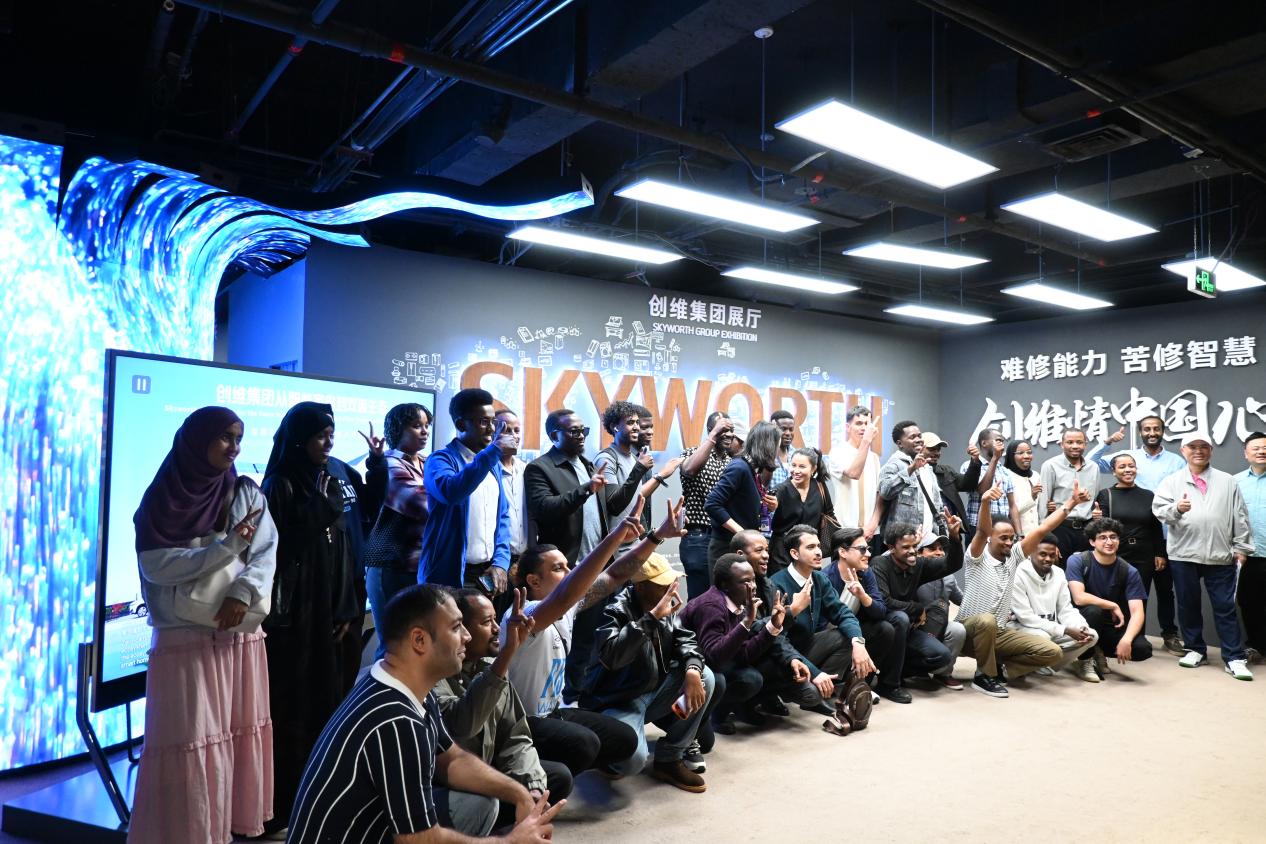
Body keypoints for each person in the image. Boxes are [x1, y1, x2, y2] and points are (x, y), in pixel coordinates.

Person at [286, 585, 562, 844]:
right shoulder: (396, 721)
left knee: (484, 801)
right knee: (476, 809)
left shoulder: (402, 685)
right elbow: (417, 839)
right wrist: (509, 841)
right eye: (456, 627)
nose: (466, 636)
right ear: (419, 640)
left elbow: (453, 759)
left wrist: (519, 793)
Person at [128, 407, 277, 844]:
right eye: (225, 437)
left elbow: (265, 551)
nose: (234, 448)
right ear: (198, 440)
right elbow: (159, 567)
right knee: (189, 740)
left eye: (238, 438)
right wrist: (226, 548)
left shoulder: (245, 492)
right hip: (183, 636)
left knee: (232, 737)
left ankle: (223, 829)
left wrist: (242, 593)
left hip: (237, 632)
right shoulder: (161, 500)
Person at [507, 497, 681, 781]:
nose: (568, 572)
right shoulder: (525, 614)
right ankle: (532, 772)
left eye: (568, 566)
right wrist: (616, 536)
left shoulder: (566, 608)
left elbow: (614, 575)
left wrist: (656, 536)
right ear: (533, 581)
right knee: (584, 746)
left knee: (625, 740)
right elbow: (568, 592)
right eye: (558, 568)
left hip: (553, 712)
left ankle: (551, 758)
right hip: (522, 722)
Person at [260, 402, 363, 837]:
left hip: (329, 616)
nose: (329, 442)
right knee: (292, 713)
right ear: (300, 438)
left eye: (332, 434)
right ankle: (282, 806)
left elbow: (343, 549)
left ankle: (319, 799)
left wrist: (345, 607)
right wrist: (320, 507)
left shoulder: (330, 479)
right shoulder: (280, 483)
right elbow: (278, 552)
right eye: (321, 435)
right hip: (293, 624)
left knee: (328, 707)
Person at [581, 555, 716, 793]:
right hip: (618, 701)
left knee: (706, 676)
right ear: (641, 586)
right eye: (663, 583)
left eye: (671, 581)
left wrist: (693, 670)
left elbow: (685, 640)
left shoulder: (663, 603)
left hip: (652, 691)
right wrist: (651, 619)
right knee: (632, 762)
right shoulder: (615, 610)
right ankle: (606, 749)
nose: (671, 587)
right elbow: (613, 657)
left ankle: (669, 758)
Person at [435, 588, 571, 817]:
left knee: (556, 778)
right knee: (483, 804)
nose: (497, 629)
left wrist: (532, 787)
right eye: (487, 622)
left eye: (495, 620)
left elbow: (515, 737)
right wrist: (506, 654)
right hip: (452, 783)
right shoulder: (435, 675)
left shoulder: (489, 664)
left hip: (487, 766)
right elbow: (463, 725)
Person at [957, 483, 1084, 696]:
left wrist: (1071, 503)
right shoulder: (976, 557)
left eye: (1011, 538)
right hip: (969, 632)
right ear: (990, 538)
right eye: (1003, 538)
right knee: (987, 620)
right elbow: (981, 530)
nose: (1009, 542)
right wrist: (986, 501)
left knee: (1052, 651)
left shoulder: (1014, 557)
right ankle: (983, 676)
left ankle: (1004, 669)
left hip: (999, 633)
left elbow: (1043, 529)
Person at [1153, 432, 1254, 679]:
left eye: (1203, 446)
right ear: (1183, 450)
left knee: (1225, 607)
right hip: (1183, 554)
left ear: (1211, 450)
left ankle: (1234, 657)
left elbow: (1239, 515)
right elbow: (1160, 511)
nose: (1198, 451)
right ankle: (1195, 649)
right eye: (1192, 446)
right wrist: (1177, 508)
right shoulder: (1172, 481)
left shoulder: (1227, 480)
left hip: (1220, 554)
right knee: (1187, 605)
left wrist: (1241, 547)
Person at [524, 408, 609, 701]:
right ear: (554, 435)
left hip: (594, 566)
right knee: (561, 639)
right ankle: (559, 701)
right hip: (564, 569)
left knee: (588, 638)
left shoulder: (587, 464)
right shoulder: (540, 468)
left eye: (583, 430)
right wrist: (585, 489)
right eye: (574, 431)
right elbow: (544, 508)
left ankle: (578, 699)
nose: (581, 436)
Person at [769, 524, 878, 714]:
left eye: (819, 546)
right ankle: (784, 690)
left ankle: (827, 686)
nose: (819, 552)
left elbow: (843, 613)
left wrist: (858, 643)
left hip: (807, 647)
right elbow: (778, 641)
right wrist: (816, 673)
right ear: (794, 553)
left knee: (847, 636)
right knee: (811, 696)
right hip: (784, 657)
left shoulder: (819, 579)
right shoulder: (776, 584)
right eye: (811, 547)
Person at [420, 389, 517, 594]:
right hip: (448, 576)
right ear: (461, 425)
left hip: (487, 575)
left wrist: (500, 562)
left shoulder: (492, 463)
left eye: (493, 422)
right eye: (483, 422)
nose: (491, 429)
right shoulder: (439, 460)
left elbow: (503, 516)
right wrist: (494, 451)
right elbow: (451, 492)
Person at [680, 554, 791, 733]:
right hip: (689, 671)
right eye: (745, 582)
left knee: (772, 667)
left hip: (713, 663)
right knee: (736, 680)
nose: (753, 586)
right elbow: (714, 656)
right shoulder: (712, 606)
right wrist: (746, 622)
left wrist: (772, 627)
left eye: (753, 580)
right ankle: (713, 716)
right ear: (725, 584)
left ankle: (741, 709)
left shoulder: (738, 602)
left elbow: (743, 654)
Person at [363, 402, 432, 660]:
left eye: (427, 425)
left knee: (415, 645)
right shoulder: (389, 464)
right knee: (393, 647)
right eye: (416, 426)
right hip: (391, 565)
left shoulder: (427, 462)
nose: (424, 431)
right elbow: (421, 504)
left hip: (419, 566)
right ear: (397, 430)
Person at [1093, 453, 1178, 655]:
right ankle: (1112, 638)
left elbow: (1155, 527)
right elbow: (1101, 526)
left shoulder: (1148, 495)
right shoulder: (1106, 494)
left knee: (1140, 597)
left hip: (1144, 553)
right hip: (1117, 553)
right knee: (1115, 596)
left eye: (1131, 466)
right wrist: (1095, 519)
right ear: (1113, 471)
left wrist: (1159, 553)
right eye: (1122, 466)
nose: (1128, 470)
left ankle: (1137, 638)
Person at [871, 521, 966, 694]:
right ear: (891, 548)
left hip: (907, 629)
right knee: (900, 617)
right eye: (905, 547)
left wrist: (954, 537)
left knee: (941, 656)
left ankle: (898, 671)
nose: (912, 551)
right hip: (882, 629)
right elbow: (885, 602)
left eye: (915, 546)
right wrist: (916, 608)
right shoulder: (879, 564)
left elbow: (952, 565)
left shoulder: (918, 565)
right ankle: (888, 685)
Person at [826, 527, 909, 703]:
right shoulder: (825, 577)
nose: (869, 554)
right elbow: (820, 624)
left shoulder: (866, 572)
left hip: (854, 630)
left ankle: (861, 684)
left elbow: (881, 611)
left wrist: (862, 596)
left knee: (886, 628)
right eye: (862, 549)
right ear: (843, 552)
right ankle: (835, 682)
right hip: (830, 636)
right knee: (843, 636)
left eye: (868, 549)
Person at [1066, 518, 1153, 680]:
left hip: (1108, 625)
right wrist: (1112, 605)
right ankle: (1083, 659)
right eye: (1102, 537)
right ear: (1092, 542)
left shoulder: (1129, 571)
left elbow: (1138, 612)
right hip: (1079, 621)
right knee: (1094, 611)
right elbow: (1079, 598)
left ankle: (1098, 649)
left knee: (1142, 649)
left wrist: (1126, 639)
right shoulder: (1078, 561)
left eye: (1113, 537)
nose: (1109, 542)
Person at [1007, 536, 1099, 680]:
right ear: (1031, 553)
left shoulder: (1059, 573)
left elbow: (1065, 609)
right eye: (1043, 554)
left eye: (1052, 555)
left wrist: (1080, 627)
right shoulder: (1017, 573)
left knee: (1091, 636)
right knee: (1043, 637)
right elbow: (1026, 617)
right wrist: (1065, 630)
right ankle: (1016, 667)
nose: (1048, 559)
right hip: (1019, 627)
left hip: (1049, 629)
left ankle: (1041, 665)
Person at [705, 420, 781, 565]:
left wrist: (768, 507)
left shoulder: (752, 470)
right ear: (769, 446)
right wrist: (742, 533)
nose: (778, 451)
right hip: (727, 550)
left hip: (742, 548)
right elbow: (712, 504)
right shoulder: (739, 468)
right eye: (777, 445)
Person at [678, 412, 736, 598]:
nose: (729, 434)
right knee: (700, 597)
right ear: (711, 430)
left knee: (723, 598)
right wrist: (714, 435)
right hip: (699, 536)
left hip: (724, 538)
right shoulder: (692, 453)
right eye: (723, 430)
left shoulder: (732, 462)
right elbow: (689, 470)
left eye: (731, 430)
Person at [1038, 427, 1119, 559]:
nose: (1075, 446)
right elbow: (1043, 502)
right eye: (1070, 442)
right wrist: (1046, 536)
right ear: (1062, 444)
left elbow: (1093, 498)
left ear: (1085, 444)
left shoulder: (1093, 467)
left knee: (1087, 568)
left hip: (1086, 528)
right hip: (1060, 527)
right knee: (1060, 568)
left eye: (1079, 442)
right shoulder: (1050, 465)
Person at [593, 401, 654, 541]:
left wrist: (645, 539)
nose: (636, 427)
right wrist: (639, 469)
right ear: (614, 427)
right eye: (630, 423)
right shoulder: (606, 459)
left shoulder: (634, 458)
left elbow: (635, 501)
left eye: (637, 422)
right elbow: (614, 506)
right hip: (615, 547)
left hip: (634, 543)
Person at [769, 447, 835, 574]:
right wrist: (772, 506)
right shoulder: (782, 489)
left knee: (811, 584)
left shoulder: (820, 486)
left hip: (810, 552)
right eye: (793, 465)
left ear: (813, 468)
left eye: (802, 467)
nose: (796, 471)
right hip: (782, 553)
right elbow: (772, 504)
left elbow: (830, 513)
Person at [877, 421, 940, 540]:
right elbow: (885, 492)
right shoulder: (893, 465)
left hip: (929, 540)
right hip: (903, 543)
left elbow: (937, 506)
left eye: (919, 436)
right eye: (912, 437)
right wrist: (910, 469)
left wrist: (942, 533)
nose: (918, 440)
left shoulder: (927, 467)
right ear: (900, 444)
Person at [827, 405, 882, 538]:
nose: (864, 428)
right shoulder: (837, 452)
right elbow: (854, 473)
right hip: (845, 529)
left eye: (867, 424)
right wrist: (866, 441)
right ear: (848, 427)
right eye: (858, 423)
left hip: (871, 531)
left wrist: (873, 525)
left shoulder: (874, 458)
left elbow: (879, 494)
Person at [1092, 415, 1187, 490]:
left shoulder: (1177, 462)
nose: (1152, 433)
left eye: (1156, 429)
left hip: (1165, 508)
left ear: (1163, 432)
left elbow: (1183, 489)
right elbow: (1090, 464)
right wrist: (1108, 442)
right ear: (1140, 433)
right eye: (1147, 429)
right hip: (1133, 508)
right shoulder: (1126, 458)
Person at [1236, 431, 1266, 663]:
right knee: (1250, 603)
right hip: (1248, 555)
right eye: (1256, 448)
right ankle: (1256, 646)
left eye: (1265, 447)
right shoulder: (1235, 482)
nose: (1261, 451)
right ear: (1246, 454)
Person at [634, 408, 684, 531]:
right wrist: (662, 474)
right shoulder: (624, 459)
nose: (650, 432)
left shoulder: (644, 456)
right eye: (644, 427)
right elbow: (631, 498)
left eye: (651, 427)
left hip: (640, 532)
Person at [495, 409, 530, 580]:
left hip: (525, 558)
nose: (514, 436)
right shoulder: (486, 470)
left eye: (516, 430)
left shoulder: (526, 469)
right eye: (507, 430)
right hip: (495, 561)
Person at [964, 429, 1018, 538]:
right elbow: (983, 491)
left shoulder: (1005, 471)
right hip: (978, 527)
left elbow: (1012, 505)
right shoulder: (970, 465)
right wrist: (995, 459)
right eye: (998, 440)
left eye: (1002, 441)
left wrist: (1019, 533)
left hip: (1002, 528)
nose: (1001, 444)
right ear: (984, 443)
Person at [922, 431, 980, 531]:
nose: (936, 453)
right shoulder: (913, 473)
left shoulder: (946, 471)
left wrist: (975, 461)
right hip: (925, 529)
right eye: (931, 449)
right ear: (919, 449)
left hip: (950, 529)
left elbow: (969, 484)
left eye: (938, 449)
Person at [1004, 439, 1043, 539]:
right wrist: (1031, 498)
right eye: (1020, 453)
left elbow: (1038, 508)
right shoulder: (1006, 476)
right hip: (1015, 537)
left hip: (1036, 534)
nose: (1026, 456)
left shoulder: (1036, 475)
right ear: (1011, 456)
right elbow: (1008, 513)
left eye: (1029, 452)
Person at [770, 409, 798, 486]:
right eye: (783, 429)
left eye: (791, 429)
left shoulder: (796, 454)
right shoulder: (766, 454)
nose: (788, 433)